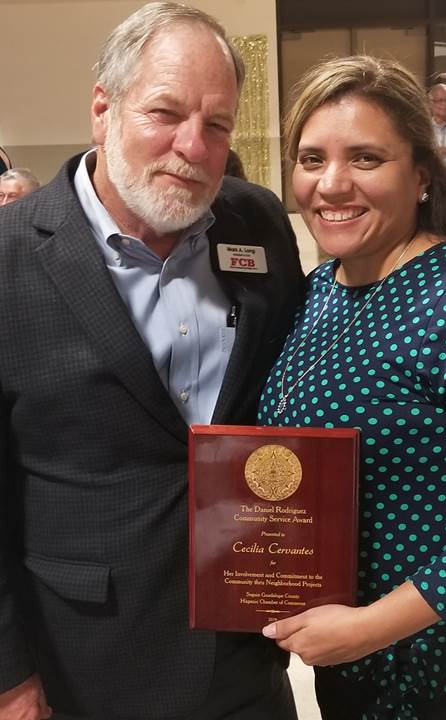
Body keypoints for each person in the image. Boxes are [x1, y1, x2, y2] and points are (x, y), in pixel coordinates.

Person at [0, 2, 304, 720]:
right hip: (82, 667)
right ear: (103, 109)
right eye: (164, 112)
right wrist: (10, 677)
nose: (194, 146)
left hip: (245, 658)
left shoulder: (255, 222)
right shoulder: (9, 259)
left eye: (218, 124)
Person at [257, 54, 446, 719]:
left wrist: (371, 625)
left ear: (422, 176)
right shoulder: (317, 293)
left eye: (366, 159)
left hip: (437, 674)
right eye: (311, 159)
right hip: (350, 675)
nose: (332, 185)